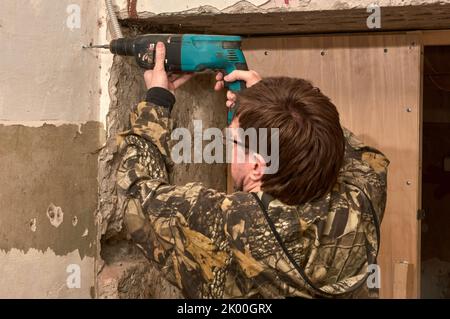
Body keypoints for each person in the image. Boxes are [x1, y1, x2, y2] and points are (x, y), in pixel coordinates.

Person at [116, 42, 389, 298]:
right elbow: (354, 151)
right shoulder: (364, 198)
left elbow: (137, 196)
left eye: (231, 139)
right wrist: (272, 104)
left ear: (258, 165)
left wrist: (157, 100)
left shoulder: (232, 224)